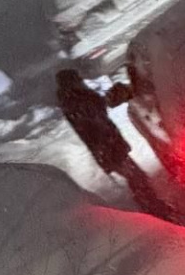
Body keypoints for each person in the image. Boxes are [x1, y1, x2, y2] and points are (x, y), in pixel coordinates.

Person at [55, 68, 170, 219]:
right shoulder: (77, 101)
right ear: (71, 82)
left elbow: (96, 111)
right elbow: (95, 116)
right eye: (77, 79)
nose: (81, 81)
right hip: (108, 149)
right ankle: (157, 211)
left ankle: (155, 209)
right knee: (138, 178)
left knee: (136, 179)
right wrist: (107, 98)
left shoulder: (73, 101)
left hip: (108, 148)